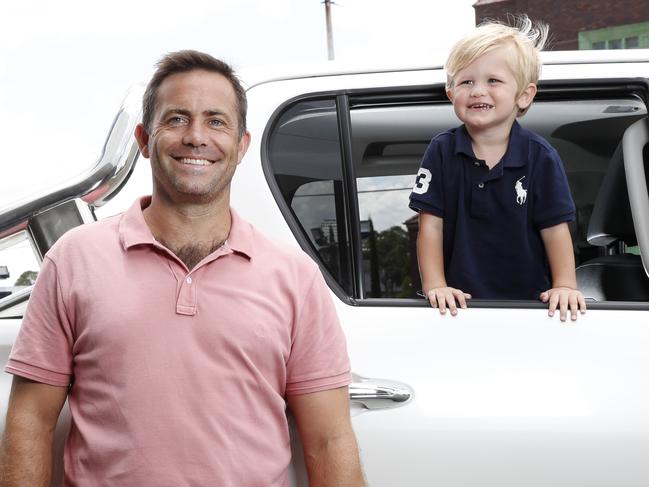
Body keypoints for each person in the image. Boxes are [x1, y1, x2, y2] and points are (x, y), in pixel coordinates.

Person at [0, 50, 365, 486]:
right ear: (142, 139)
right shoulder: (73, 259)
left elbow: (328, 440)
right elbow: (30, 421)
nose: (196, 137)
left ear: (241, 144)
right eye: (175, 119)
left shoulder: (294, 276)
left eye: (216, 121)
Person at [409, 17, 587, 321]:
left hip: (531, 311)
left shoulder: (541, 157)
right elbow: (430, 226)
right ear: (451, 94)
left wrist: (565, 285)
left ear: (524, 95)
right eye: (467, 81)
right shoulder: (441, 151)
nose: (478, 91)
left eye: (493, 80)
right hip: (459, 310)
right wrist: (435, 285)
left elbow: (555, 229)